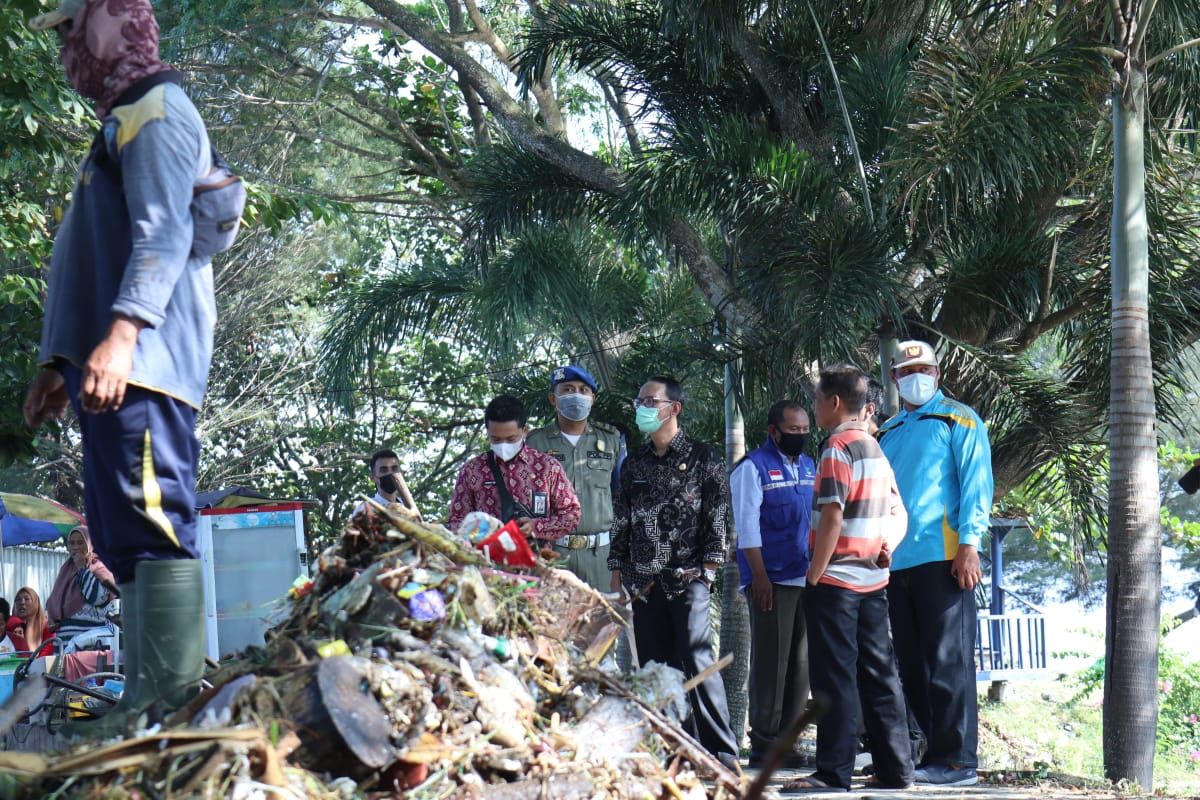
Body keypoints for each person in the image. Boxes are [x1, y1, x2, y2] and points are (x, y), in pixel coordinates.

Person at [22, 0, 215, 734]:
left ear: (111, 18)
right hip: (110, 370)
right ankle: (148, 703)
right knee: (123, 534)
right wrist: (60, 359)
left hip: (147, 366)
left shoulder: (157, 111)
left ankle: (169, 705)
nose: (68, 47)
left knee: (154, 520)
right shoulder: (118, 122)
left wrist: (124, 335)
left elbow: (162, 235)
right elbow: (88, 257)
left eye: (74, 27)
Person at [784, 364, 913, 793]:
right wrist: (884, 549)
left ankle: (832, 773)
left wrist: (815, 574)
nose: (814, 408)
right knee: (879, 674)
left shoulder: (836, 448)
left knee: (834, 678)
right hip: (873, 582)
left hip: (836, 582)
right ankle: (897, 770)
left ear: (834, 403)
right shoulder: (875, 449)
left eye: (817, 400)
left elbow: (832, 517)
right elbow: (899, 514)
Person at [877, 340, 993, 787]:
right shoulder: (887, 431)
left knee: (949, 662)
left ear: (939, 373)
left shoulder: (959, 418)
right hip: (896, 561)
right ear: (894, 377)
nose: (916, 376)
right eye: (907, 370)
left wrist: (969, 544)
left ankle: (959, 760)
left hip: (944, 556)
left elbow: (976, 484)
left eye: (924, 368)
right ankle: (932, 755)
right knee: (912, 662)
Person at [608, 377, 738, 769]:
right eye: (640, 399)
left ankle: (723, 752)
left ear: (674, 408)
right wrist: (618, 574)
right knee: (655, 670)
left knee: (697, 661)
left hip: (689, 578)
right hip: (644, 583)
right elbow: (622, 521)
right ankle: (674, 752)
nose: (643, 407)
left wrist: (709, 570)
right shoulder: (633, 465)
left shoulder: (704, 458)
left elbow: (718, 515)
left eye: (651, 400)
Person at [731, 400, 816, 767]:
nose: (799, 436)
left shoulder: (811, 465)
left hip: (807, 576)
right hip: (771, 578)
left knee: (801, 664)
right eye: (792, 430)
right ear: (773, 431)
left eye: (804, 430)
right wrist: (760, 576)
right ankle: (765, 741)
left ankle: (788, 740)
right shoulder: (752, 468)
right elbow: (747, 525)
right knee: (771, 661)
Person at [526, 365, 625, 591]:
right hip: (553, 555)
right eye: (568, 389)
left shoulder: (611, 440)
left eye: (583, 390)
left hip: (602, 558)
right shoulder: (534, 444)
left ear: (593, 398)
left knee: (604, 623)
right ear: (554, 398)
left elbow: (623, 499)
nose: (576, 396)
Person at [447, 395, 581, 543]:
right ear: (487, 432)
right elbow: (456, 521)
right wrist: (481, 532)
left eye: (511, 439)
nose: (503, 445)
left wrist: (536, 527)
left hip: (536, 561)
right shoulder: (472, 470)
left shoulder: (548, 467)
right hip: (486, 560)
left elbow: (571, 514)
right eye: (496, 439)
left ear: (525, 431)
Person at [47, 526, 117, 649]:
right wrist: (54, 618)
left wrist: (81, 569)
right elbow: (54, 601)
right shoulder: (65, 570)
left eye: (80, 543)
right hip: (64, 643)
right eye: (71, 543)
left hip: (88, 645)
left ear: (89, 544)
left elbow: (98, 598)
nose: (75, 547)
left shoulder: (99, 566)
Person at [358, 448, 421, 520]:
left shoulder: (408, 507)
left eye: (394, 469)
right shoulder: (365, 510)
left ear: (402, 474)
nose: (390, 473)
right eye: (384, 470)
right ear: (373, 478)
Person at [9, 587, 55, 657]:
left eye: (27, 599)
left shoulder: (47, 626)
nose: (22, 602)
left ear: (35, 603)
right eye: (18, 600)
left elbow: (46, 654)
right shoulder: (8, 625)